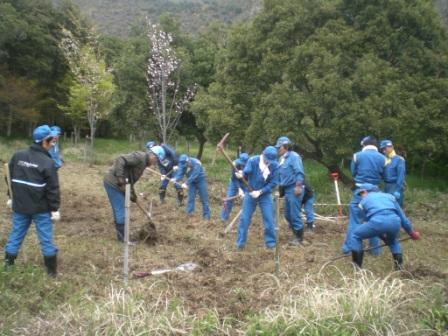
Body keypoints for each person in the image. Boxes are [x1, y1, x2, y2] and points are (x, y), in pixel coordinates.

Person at [4, 125, 60, 276]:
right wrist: (54, 209)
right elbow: (52, 189)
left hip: (20, 206)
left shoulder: (18, 156)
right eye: (51, 141)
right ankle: (52, 274)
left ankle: (7, 268)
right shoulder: (48, 163)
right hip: (41, 209)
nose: (53, 144)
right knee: (46, 239)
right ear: (44, 142)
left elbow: (8, 177)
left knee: (15, 235)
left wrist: (11, 196)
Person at [349, 183, 420, 269]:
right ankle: (399, 268)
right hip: (395, 222)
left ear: (365, 191)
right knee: (393, 241)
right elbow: (403, 218)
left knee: (355, 235)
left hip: (377, 222)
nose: (361, 196)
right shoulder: (390, 197)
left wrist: (382, 236)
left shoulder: (363, 202)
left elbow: (371, 226)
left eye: (361, 194)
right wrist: (412, 233)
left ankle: (357, 268)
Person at [342, 136, 386, 256]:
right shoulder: (383, 158)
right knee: (374, 220)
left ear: (364, 145)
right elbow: (384, 175)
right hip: (375, 192)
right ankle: (375, 250)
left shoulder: (357, 156)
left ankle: (349, 248)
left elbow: (353, 172)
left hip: (360, 191)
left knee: (355, 221)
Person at [104, 151, 157, 242]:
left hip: (122, 186)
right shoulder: (139, 157)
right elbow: (120, 159)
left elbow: (130, 180)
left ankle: (124, 237)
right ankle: (122, 240)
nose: (155, 163)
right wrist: (120, 177)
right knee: (120, 210)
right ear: (152, 156)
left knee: (122, 210)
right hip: (114, 183)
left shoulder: (144, 163)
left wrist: (133, 196)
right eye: (155, 160)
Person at [235, 146, 279, 250]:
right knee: (244, 218)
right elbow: (246, 173)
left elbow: (274, 182)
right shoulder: (253, 161)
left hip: (265, 194)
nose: (268, 162)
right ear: (263, 153)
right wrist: (241, 175)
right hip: (250, 193)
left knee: (269, 219)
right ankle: (240, 244)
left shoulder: (275, 166)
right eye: (267, 159)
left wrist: (261, 191)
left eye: (270, 161)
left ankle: (271, 243)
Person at [276, 136, 306, 246]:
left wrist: (298, 186)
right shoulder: (282, 159)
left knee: (294, 214)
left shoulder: (294, 157)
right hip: (287, 189)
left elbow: (299, 172)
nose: (277, 149)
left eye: (279, 147)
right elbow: (281, 175)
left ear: (285, 147)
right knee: (288, 215)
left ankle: (299, 239)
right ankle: (295, 235)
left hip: (294, 188)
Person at [172, 154, 211, 220]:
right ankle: (189, 213)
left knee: (204, 199)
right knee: (191, 197)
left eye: (186, 164)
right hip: (192, 183)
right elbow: (181, 173)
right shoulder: (183, 164)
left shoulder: (196, 163)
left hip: (200, 180)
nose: (185, 166)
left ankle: (206, 216)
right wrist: (175, 179)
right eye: (183, 164)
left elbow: (194, 175)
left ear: (188, 161)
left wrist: (186, 183)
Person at [220, 152, 249, 221]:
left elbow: (250, 177)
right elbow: (234, 178)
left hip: (245, 183)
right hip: (234, 182)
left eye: (243, 164)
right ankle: (224, 217)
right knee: (229, 198)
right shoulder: (234, 164)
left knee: (246, 200)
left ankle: (244, 219)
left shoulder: (250, 165)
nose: (242, 165)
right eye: (241, 164)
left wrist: (244, 176)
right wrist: (239, 189)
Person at [380, 140, 406, 207]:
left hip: (395, 186)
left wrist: (398, 190)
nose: (383, 151)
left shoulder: (399, 160)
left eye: (385, 149)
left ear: (390, 147)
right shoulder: (385, 160)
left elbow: (401, 176)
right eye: (382, 149)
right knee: (386, 207)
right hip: (386, 186)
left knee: (396, 207)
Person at [49, 126, 63, 221]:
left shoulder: (55, 145)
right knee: (52, 190)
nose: (56, 136)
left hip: (54, 170)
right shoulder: (48, 145)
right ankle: (53, 211)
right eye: (55, 134)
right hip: (48, 171)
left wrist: (59, 162)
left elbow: (55, 157)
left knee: (53, 189)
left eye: (58, 134)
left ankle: (53, 210)